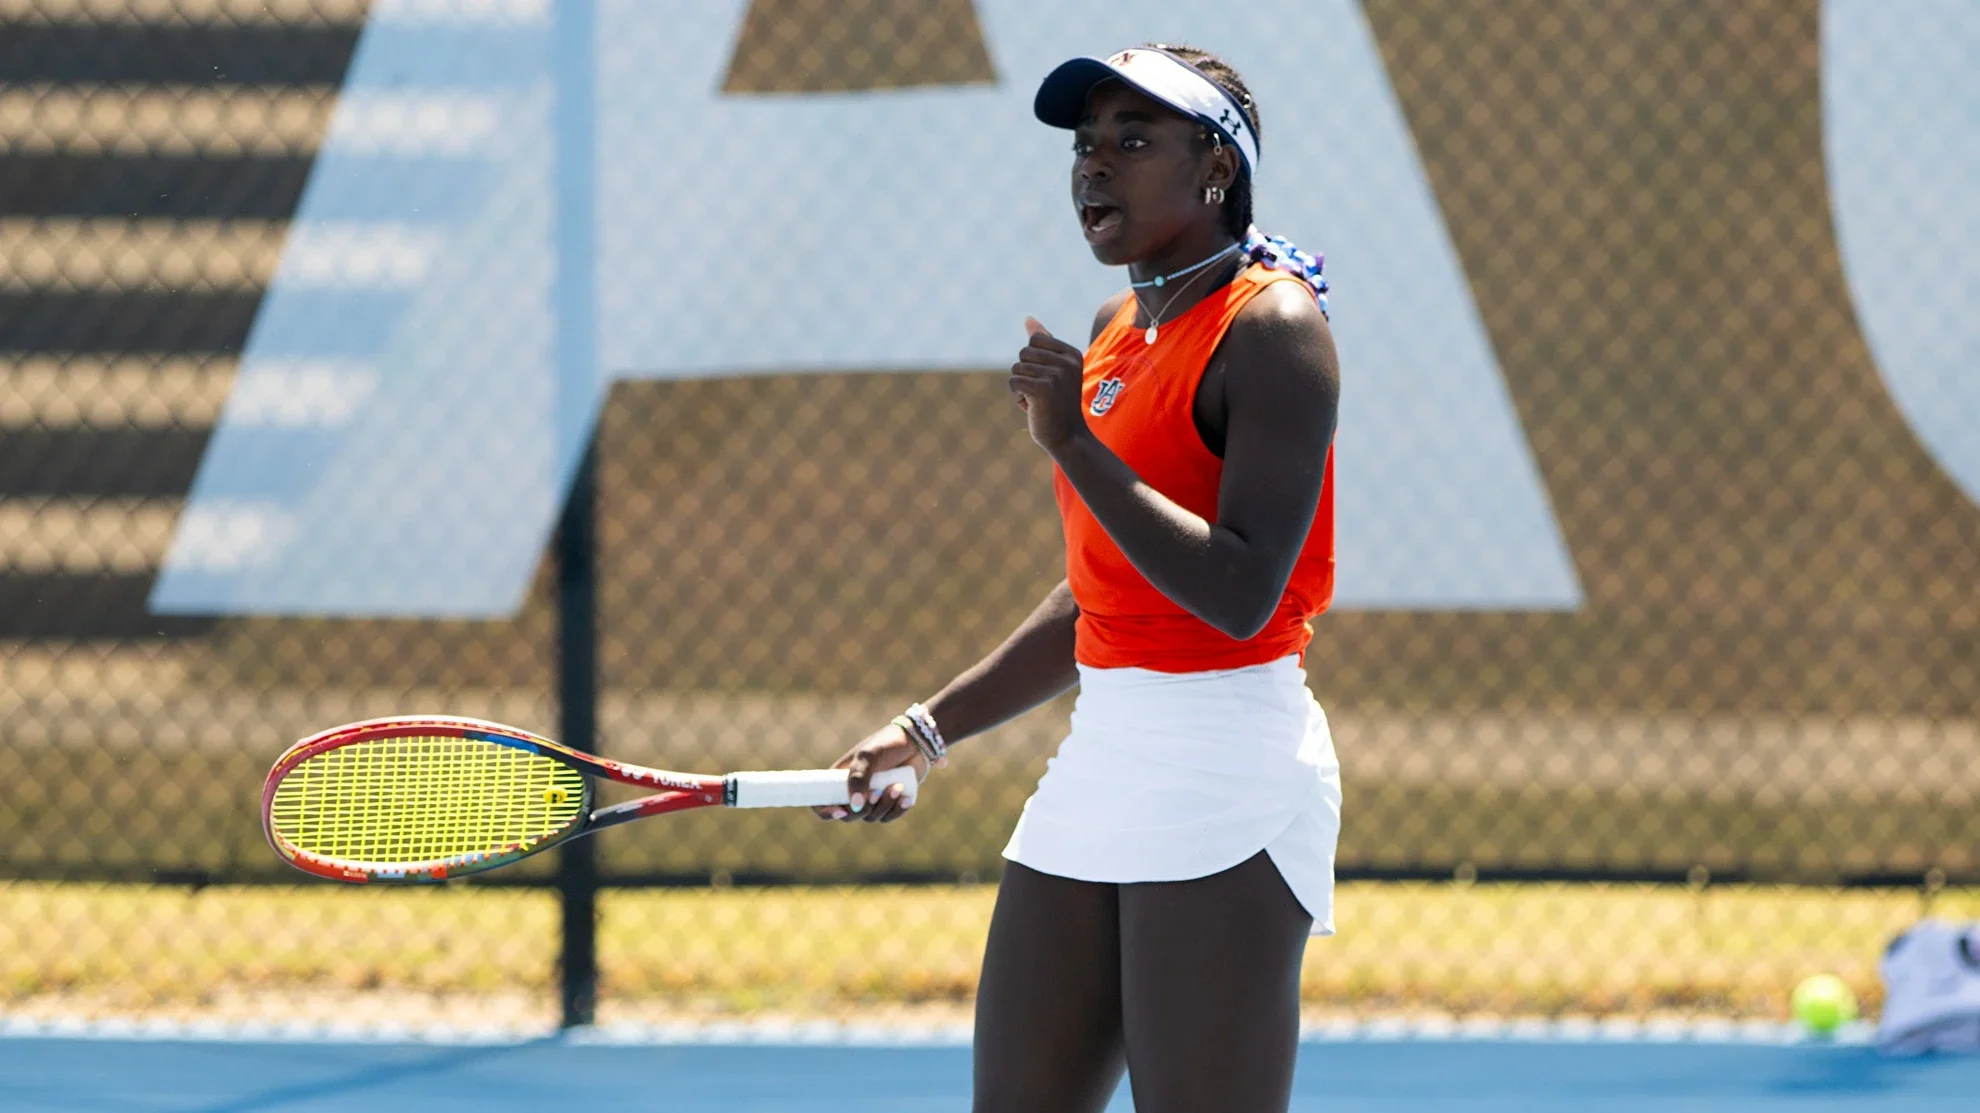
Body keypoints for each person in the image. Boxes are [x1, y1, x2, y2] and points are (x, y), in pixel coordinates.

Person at [816, 43, 1341, 1113]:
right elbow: (1102, 593)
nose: (1094, 164)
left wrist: (1073, 442)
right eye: (1085, 144)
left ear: (1216, 170)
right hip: (1103, 754)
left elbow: (1239, 593)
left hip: (1229, 766)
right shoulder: (1115, 329)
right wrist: (926, 731)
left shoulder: (1275, 330)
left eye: (1133, 140)